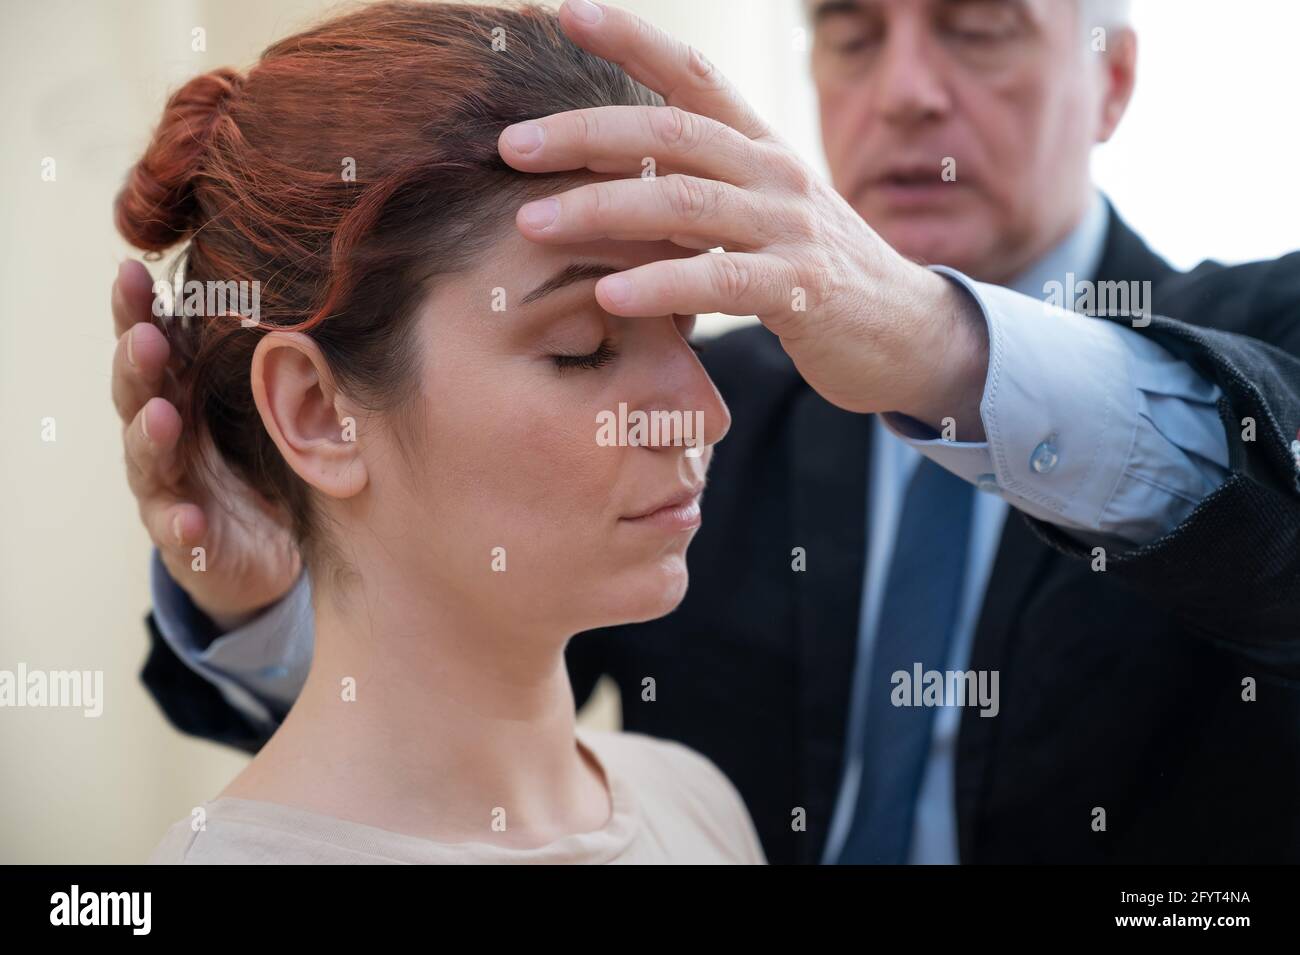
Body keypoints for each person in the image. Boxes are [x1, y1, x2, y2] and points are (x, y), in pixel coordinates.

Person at [114, 0, 1300, 864]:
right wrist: (290, 566)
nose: (904, 92)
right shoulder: (725, 397)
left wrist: (943, 347)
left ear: (1113, 80)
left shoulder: (1264, 341)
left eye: (977, 25)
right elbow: (439, 712)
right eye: (848, 29)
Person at [117, 1, 764, 865]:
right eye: (585, 349)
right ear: (317, 411)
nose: (705, 413)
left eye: (682, 325)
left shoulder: (699, 803)